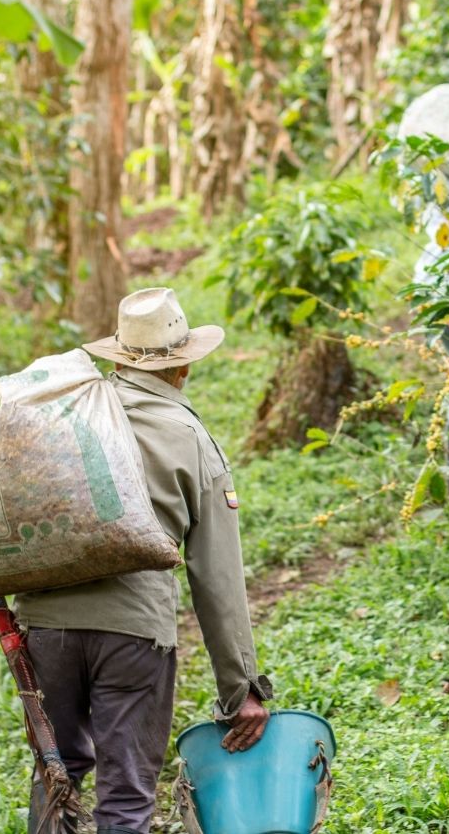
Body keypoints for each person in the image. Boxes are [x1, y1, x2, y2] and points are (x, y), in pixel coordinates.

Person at [14, 287, 273, 834]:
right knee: (127, 794)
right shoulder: (190, 437)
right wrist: (241, 689)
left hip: (46, 630)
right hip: (135, 637)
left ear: (119, 358)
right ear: (182, 368)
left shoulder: (66, 412)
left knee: (55, 776)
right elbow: (217, 578)